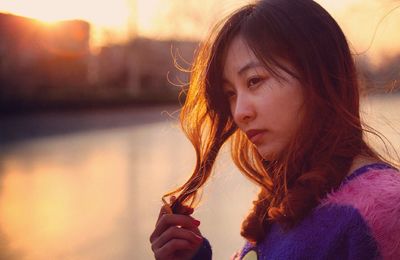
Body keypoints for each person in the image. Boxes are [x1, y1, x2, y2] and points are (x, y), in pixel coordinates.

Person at [149, 0, 400, 259]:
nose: (239, 112)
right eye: (231, 93)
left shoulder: (385, 209)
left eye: (254, 81)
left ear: (316, 74)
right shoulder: (287, 202)